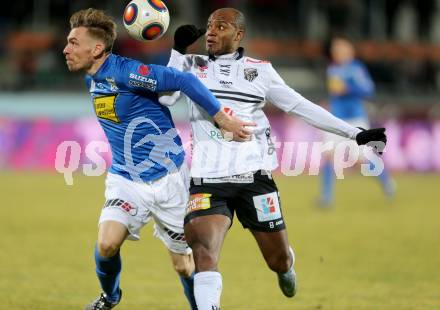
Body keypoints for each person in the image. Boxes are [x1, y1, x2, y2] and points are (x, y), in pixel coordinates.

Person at [159, 8, 387, 309]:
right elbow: (166, 98)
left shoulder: (259, 71)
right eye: (210, 26)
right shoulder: (191, 65)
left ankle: (286, 267)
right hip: (207, 182)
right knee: (203, 253)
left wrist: (353, 134)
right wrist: (176, 52)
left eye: (221, 26)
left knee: (276, 260)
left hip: (254, 180)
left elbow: (300, 106)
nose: (211, 32)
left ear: (239, 34)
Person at [63, 8, 254, 310]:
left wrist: (222, 119)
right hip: (125, 179)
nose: (66, 49)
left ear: (96, 48)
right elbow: (159, 100)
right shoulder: (93, 80)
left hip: (170, 180)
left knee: (183, 265)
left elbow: (183, 82)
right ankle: (110, 297)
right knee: (106, 243)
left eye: (74, 42)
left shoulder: (128, 72)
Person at [320, 37, 395, 206]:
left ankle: (386, 182)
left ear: (349, 51)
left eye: (340, 49)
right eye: (335, 49)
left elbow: (368, 89)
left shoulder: (356, 68)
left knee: (361, 160)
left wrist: (348, 88)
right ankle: (326, 197)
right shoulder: (332, 69)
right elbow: (335, 93)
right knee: (328, 155)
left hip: (355, 119)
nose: (336, 52)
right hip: (335, 118)